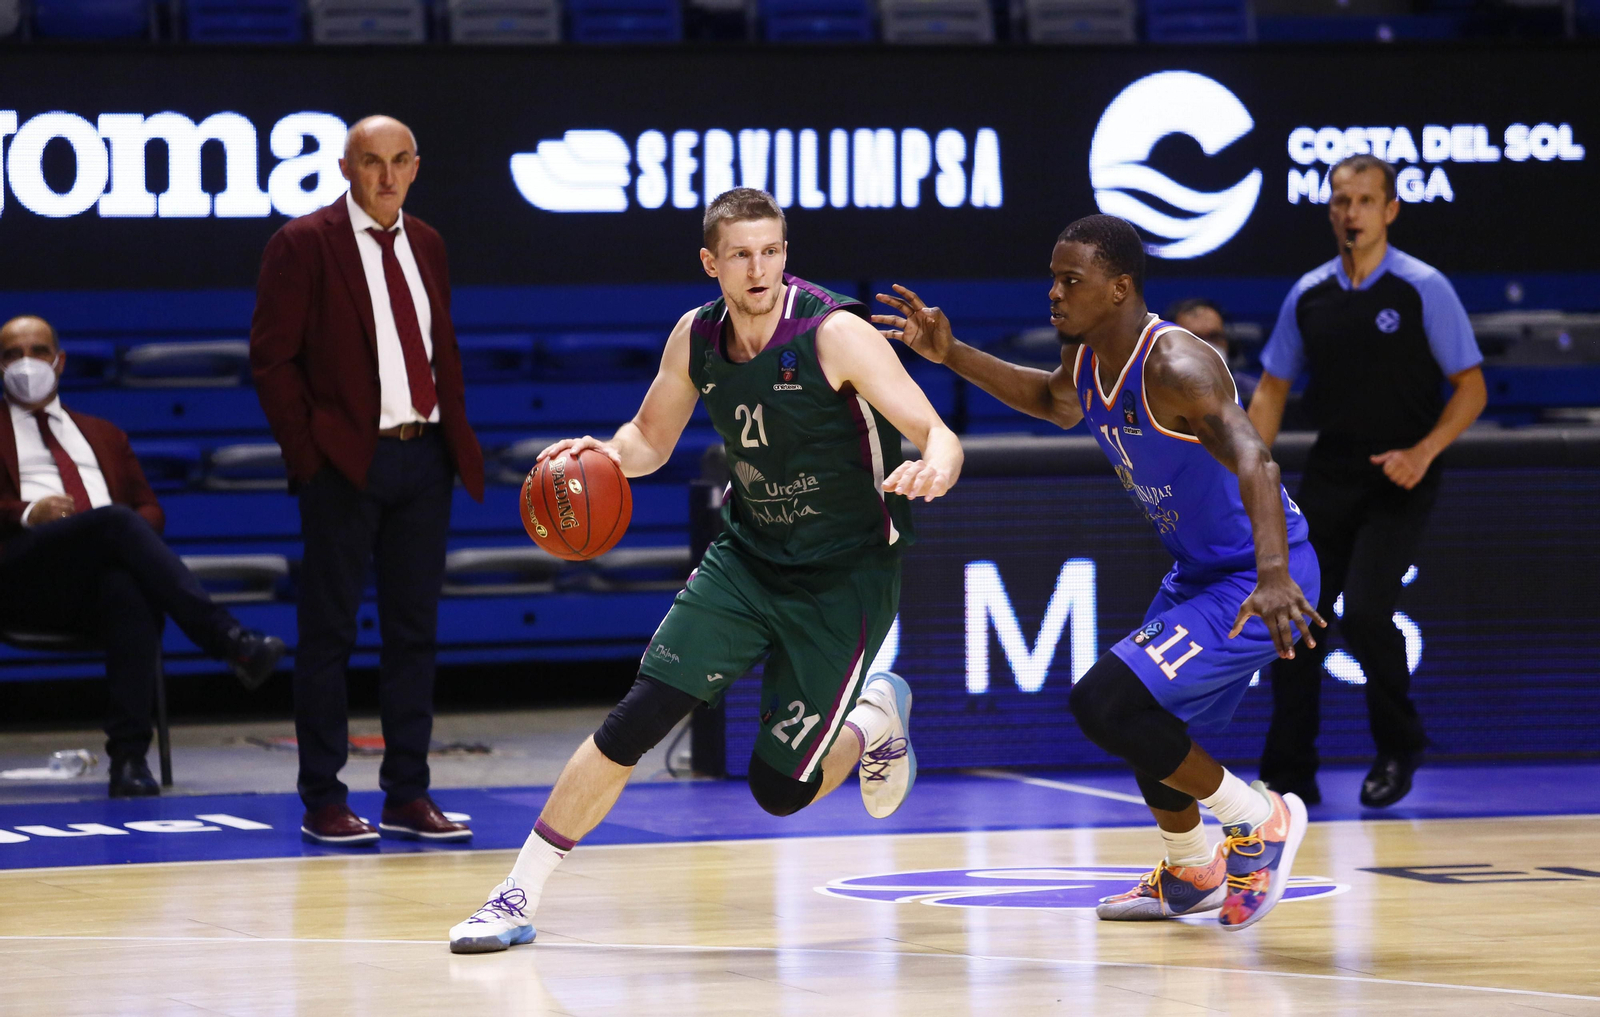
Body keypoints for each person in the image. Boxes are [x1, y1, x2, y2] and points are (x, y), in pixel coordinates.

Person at [447, 187, 964, 953]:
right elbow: (648, 442)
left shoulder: (836, 333)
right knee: (639, 717)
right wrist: (599, 456)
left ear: (786, 252)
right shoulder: (694, 337)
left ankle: (875, 717)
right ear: (710, 263)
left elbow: (933, 428)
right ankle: (515, 892)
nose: (759, 268)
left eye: (772, 250)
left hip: (844, 575)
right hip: (749, 559)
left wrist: (938, 464)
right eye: (741, 254)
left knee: (778, 788)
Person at [877, 214, 1322, 928]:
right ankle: (1191, 870)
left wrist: (1274, 574)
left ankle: (1259, 817)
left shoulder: (1176, 364)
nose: (1053, 293)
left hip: (1258, 572)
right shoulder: (1085, 358)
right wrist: (950, 351)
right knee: (1144, 721)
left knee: (1106, 702)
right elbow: (1051, 402)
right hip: (1201, 572)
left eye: (1070, 280)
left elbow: (1257, 460)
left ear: (1119, 288)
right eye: (1052, 278)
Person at [250, 116, 485, 846]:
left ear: (416, 166)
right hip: (346, 464)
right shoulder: (303, 243)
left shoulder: (430, 244)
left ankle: (406, 795)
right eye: (371, 162)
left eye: (398, 161)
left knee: (415, 635)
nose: (386, 176)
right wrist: (308, 454)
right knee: (328, 635)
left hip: (425, 457)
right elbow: (270, 359)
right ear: (347, 167)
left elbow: (438, 346)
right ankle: (323, 797)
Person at [1249, 154, 1485, 809]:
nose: (1349, 212)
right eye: (1339, 201)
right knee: (1296, 620)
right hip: (1331, 470)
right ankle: (1290, 771)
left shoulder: (1422, 287)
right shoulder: (1311, 293)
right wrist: (1245, 472)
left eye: (1362, 200)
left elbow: (1471, 387)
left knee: (1370, 609)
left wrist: (1425, 449)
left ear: (1389, 210)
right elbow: (1270, 389)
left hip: (1400, 475)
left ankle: (1399, 746)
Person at [0, 316, 286, 798]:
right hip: (21, 576)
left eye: (39, 350)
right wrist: (29, 512)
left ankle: (129, 762)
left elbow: (149, 507)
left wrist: (126, 534)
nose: (26, 363)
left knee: (130, 590)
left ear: (60, 361)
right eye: (12, 354)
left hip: (91, 584)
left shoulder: (105, 434)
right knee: (114, 521)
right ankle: (229, 639)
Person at [1165, 298, 1258, 406]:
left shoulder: (1255, 394)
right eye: (1194, 338)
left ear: (1228, 342)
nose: (1207, 347)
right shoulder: (1152, 397)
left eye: (1214, 337)